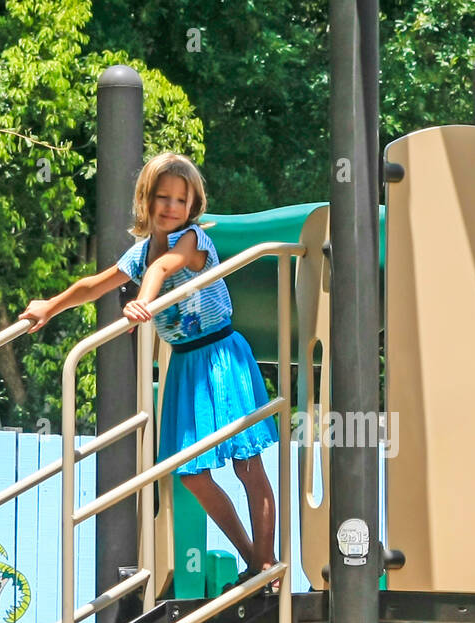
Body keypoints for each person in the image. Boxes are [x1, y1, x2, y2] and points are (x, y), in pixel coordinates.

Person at [20, 152, 280, 592]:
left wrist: (144, 301)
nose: (171, 208)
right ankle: (252, 557)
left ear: (193, 206)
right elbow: (95, 284)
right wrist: (51, 305)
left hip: (219, 357)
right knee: (192, 473)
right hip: (185, 366)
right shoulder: (141, 254)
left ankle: (268, 562)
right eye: (163, 198)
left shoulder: (193, 240)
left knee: (246, 465)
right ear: (147, 201)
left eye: (181, 199)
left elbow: (165, 267)